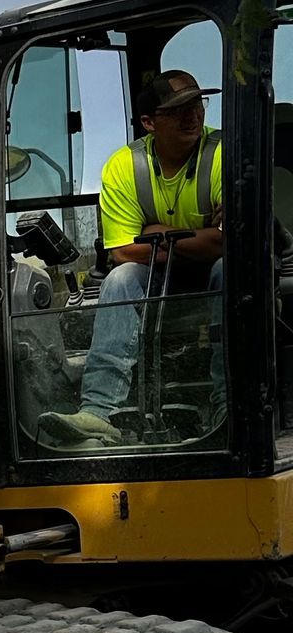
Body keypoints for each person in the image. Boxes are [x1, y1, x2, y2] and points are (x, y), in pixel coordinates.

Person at [66, 69, 223, 439]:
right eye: (177, 110)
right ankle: (99, 412)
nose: (193, 116)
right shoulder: (123, 167)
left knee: (228, 267)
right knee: (120, 280)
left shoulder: (223, 153)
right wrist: (202, 238)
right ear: (149, 122)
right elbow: (123, 253)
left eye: (196, 104)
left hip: (215, 270)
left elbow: (229, 242)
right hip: (157, 276)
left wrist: (156, 234)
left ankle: (228, 404)